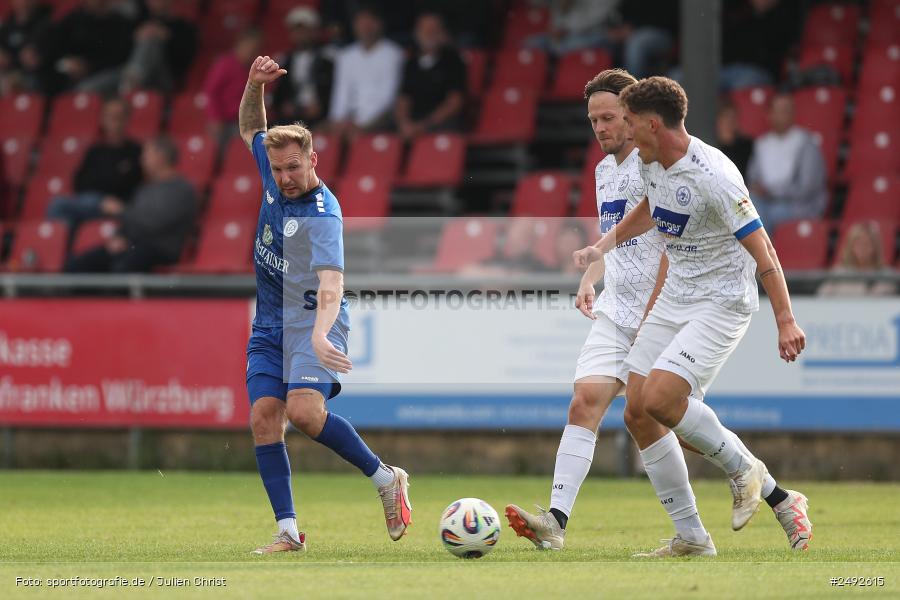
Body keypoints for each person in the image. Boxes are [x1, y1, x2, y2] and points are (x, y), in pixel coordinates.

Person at [575, 76, 811, 556]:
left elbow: (764, 251)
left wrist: (785, 319)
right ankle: (697, 535)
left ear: (652, 124)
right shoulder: (649, 158)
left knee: (662, 400)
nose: (623, 130)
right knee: (638, 413)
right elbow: (650, 208)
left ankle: (748, 471)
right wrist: (604, 245)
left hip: (720, 301)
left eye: (630, 122)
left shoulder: (715, 177)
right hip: (676, 295)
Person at [237, 55, 411, 554]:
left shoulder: (322, 215)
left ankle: (385, 478)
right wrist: (254, 84)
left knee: (305, 413)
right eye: (278, 169)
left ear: (314, 160)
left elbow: (332, 282)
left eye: (294, 167)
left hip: (316, 319)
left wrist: (318, 333)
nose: (285, 177)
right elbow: (252, 125)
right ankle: (288, 532)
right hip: (270, 323)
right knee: (264, 418)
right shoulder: (272, 178)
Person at [64, 136, 196, 273]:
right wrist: (119, 236)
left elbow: (155, 223)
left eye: (147, 154)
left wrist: (122, 210)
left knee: (123, 267)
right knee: (77, 266)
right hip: (133, 245)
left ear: (161, 156)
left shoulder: (181, 190)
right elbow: (131, 221)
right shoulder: (145, 188)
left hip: (160, 248)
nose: (142, 159)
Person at [47, 98, 143, 237]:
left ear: (127, 119)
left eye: (119, 116)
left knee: (59, 204)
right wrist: (102, 198)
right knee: (61, 210)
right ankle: (63, 252)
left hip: (119, 206)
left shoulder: (135, 151)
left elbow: (132, 184)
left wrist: (107, 189)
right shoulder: (95, 150)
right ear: (102, 119)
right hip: (92, 203)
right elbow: (79, 182)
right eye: (110, 116)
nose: (114, 122)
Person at [746, 92, 828, 232]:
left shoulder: (805, 142)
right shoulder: (762, 143)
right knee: (743, 208)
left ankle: (763, 253)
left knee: (764, 215)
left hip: (799, 205)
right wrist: (758, 188)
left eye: (787, 110)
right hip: (766, 202)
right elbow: (752, 177)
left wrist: (773, 192)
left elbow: (808, 187)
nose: (783, 115)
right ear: (769, 114)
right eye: (779, 111)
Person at [327, 6, 404, 138]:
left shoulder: (393, 54)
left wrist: (363, 126)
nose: (365, 28)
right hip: (348, 123)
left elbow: (388, 98)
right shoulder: (345, 56)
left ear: (379, 24)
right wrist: (337, 121)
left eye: (369, 23)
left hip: (379, 122)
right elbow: (341, 93)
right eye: (361, 23)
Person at [393, 12, 466, 139]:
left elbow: (454, 102)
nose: (429, 33)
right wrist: (404, 123)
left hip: (439, 122)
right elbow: (403, 99)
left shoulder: (453, 60)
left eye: (434, 29)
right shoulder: (411, 62)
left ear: (442, 33)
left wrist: (424, 125)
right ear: (416, 33)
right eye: (425, 29)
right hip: (414, 121)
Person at [271, 7, 335, 128]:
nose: (300, 35)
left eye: (304, 30)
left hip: (320, 119)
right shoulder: (283, 60)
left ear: (315, 31)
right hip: (290, 119)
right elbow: (277, 95)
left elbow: (336, 92)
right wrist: (284, 106)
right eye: (296, 30)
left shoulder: (329, 58)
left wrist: (322, 106)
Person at [203, 28, 262, 143]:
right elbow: (211, 92)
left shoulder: (253, 69)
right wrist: (215, 118)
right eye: (250, 48)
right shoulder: (225, 64)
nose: (252, 53)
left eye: (256, 50)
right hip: (225, 122)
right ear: (241, 44)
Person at [818, 221, 897, 297]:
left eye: (867, 243)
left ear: (875, 247)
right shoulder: (837, 273)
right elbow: (821, 299)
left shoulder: (888, 277)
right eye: (858, 243)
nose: (862, 248)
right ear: (850, 247)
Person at [716, 98, 754, 177]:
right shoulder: (710, 146)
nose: (730, 121)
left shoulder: (747, 146)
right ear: (719, 121)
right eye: (726, 117)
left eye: (733, 117)